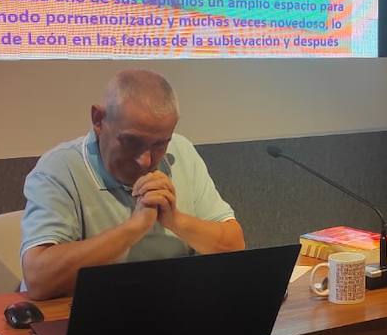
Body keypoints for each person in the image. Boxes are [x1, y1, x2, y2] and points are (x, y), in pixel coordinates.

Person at [20, 70, 245, 299]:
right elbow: (40, 280)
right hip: (87, 315)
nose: (145, 160)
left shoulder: (182, 151)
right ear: (98, 120)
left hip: (169, 309)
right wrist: (134, 228)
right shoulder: (59, 167)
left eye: (160, 144)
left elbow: (234, 247)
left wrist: (175, 220)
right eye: (131, 141)